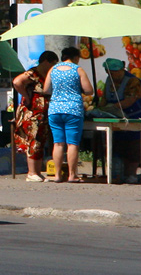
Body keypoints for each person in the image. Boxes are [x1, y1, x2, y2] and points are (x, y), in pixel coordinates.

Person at [42, 46, 93, 183]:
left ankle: (57, 175)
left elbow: (46, 90)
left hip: (55, 109)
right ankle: (72, 175)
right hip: (73, 110)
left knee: (58, 143)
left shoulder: (53, 70)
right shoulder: (78, 70)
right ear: (76, 57)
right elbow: (89, 90)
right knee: (72, 144)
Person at [98, 57, 141, 182]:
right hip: (117, 117)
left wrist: (113, 107)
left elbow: (130, 100)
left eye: (115, 72)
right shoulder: (109, 80)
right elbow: (105, 97)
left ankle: (132, 174)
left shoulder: (133, 81)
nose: (112, 75)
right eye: (109, 72)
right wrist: (101, 109)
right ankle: (119, 173)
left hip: (136, 115)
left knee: (133, 145)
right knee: (118, 144)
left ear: (122, 70)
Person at [13, 50, 58, 182]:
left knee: (40, 141)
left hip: (42, 113)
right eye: (52, 63)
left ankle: (37, 172)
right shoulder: (33, 73)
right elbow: (17, 82)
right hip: (32, 112)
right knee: (33, 140)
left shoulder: (47, 75)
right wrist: (26, 96)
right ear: (45, 62)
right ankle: (31, 172)